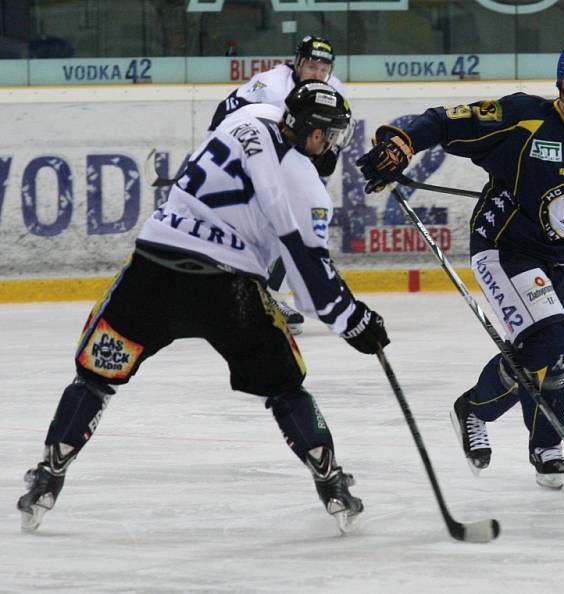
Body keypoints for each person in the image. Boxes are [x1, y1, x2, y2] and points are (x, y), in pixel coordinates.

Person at [17, 81, 389, 534]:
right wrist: (356, 321)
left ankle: (48, 477)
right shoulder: (306, 186)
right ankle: (331, 483)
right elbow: (312, 283)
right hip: (228, 290)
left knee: (94, 378)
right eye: (330, 136)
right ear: (314, 136)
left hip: (153, 270)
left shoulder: (246, 119)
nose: (331, 147)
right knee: (285, 388)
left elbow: (236, 104)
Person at [356, 43, 564, 490]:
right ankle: (475, 409)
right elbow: (445, 121)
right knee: (550, 340)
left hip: (558, 260)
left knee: (557, 355)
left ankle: (546, 446)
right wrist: (402, 144)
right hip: (505, 249)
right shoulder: (522, 119)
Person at [208, 35, 345, 335]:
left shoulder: (333, 88)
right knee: (258, 229)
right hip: (254, 164)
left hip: (291, 166)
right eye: (311, 66)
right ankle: (239, 294)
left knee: (290, 228)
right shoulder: (270, 84)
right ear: (298, 63)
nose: (318, 74)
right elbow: (225, 110)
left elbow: (332, 137)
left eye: (324, 68)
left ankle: (267, 296)